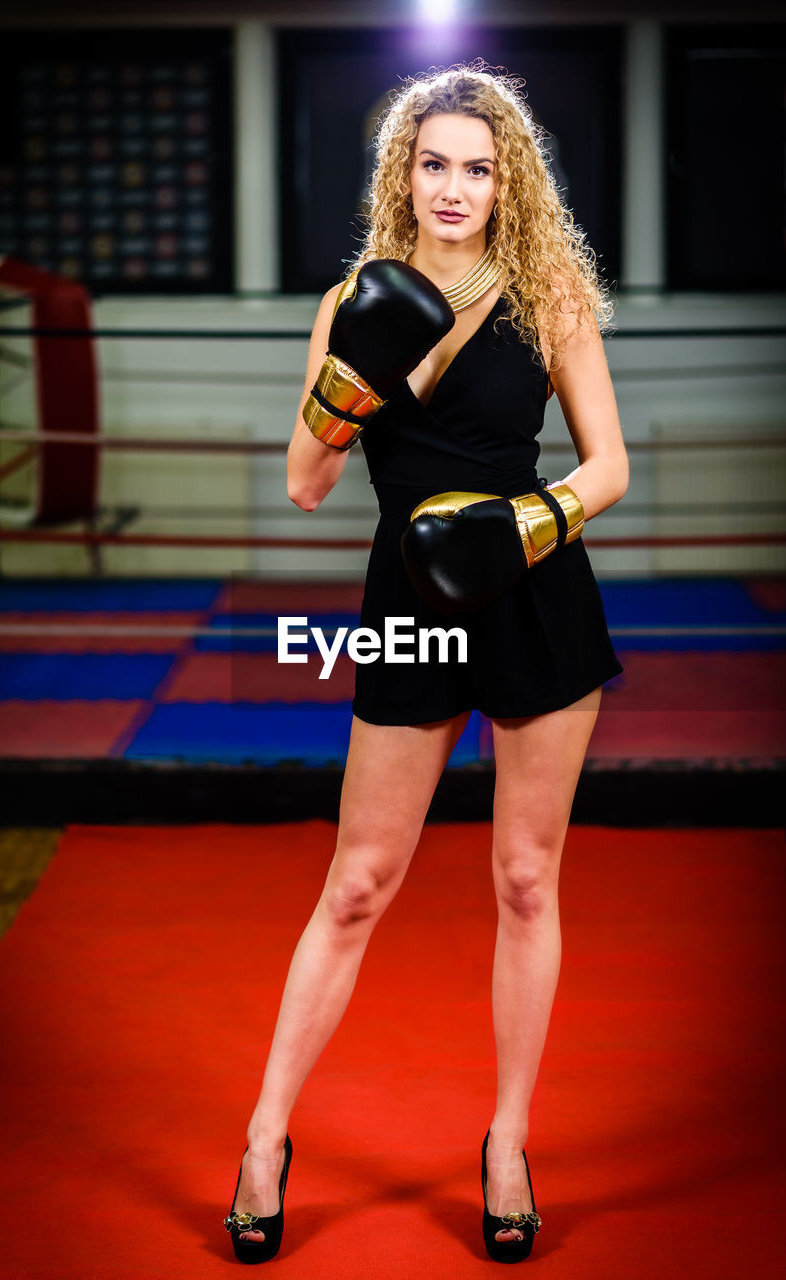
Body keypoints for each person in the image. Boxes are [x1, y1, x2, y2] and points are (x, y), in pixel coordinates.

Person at [224, 64, 628, 1265]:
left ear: (510, 182)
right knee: (356, 881)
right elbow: (303, 486)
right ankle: (262, 1136)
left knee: (521, 877)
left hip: (531, 587)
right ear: (403, 173)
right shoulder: (353, 296)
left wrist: (522, 521)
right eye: (434, 162)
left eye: (479, 165)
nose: (454, 185)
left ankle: (505, 1138)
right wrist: (355, 370)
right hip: (407, 599)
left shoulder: (547, 293)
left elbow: (605, 466)